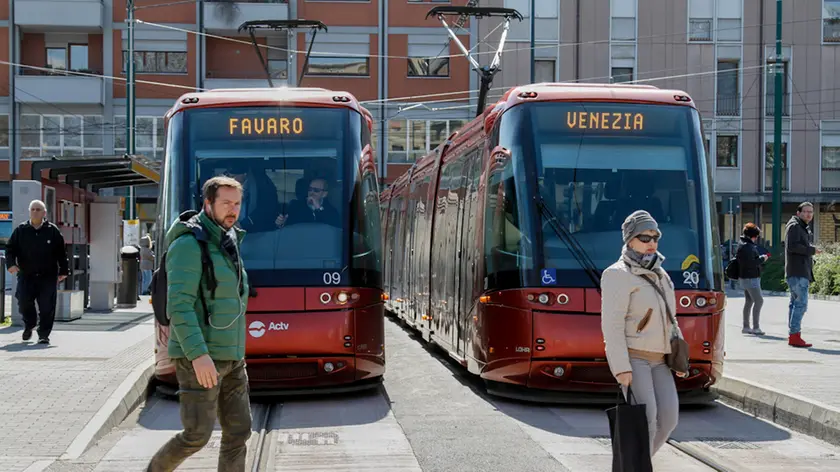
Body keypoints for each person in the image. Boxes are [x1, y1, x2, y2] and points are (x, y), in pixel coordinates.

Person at [147, 176, 252, 472]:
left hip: (232, 356)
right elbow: (178, 306)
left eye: (237, 204)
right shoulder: (188, 245)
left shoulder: (228, 240)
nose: (233, 210)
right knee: (196, 435)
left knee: (239, 431)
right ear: (208, 204)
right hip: (201, 357)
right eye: (226, 204)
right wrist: (198, 355)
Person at [601, 210, 687, 457]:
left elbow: (671, 319)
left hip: (661, 360)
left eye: (655, 238)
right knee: (646, 421)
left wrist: (678, 354)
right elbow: (612, 325)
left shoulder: (661, 273)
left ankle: (638, 465)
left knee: (669, 419)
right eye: (644, 238)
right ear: (629, 240)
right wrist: (621, 367)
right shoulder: (617, 274)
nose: (651, 244)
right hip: (635, 359)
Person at [4, 199, 69, 345]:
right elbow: (10, 249)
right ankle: (30, 324)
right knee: (23, 302)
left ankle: (44, 334)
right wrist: (11, 265)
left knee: (47, 306)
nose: (35, 212)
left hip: (48, 276)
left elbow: (61, 253)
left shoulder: (52, 231)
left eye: (38, 209)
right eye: (32, 209)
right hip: (27, 275)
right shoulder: (21, 230)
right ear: (29, 211)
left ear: (44, 213)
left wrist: (64, 270)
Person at [784, 202, 819, 348]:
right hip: (798, 272)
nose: (809, 214)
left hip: (797, 271)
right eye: (805, 211)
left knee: (795, 304)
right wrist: (811, 250)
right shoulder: (795, 226)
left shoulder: (800, 226)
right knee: (801, 305)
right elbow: (792, 247)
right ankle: (794, 335)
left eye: (811, 212)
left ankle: (793, 335)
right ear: (799, 213)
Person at [736, 223, 770, 335]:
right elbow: (752, 262)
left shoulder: (741, 245)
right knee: (759, 301)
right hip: (751, 278)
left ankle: (746, 326)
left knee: (749, 301)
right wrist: (763, 258)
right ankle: (756, 327)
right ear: (753, 236)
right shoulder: (749, 247)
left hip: (744, 277)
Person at [276, 177, 340, 228]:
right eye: (310, 189)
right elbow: (288, 227)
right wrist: (281, 223)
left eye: (316, 190)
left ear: (324, 194)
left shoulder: (331, 210)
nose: (311, 193)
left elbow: (335, 228)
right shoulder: (296, 206)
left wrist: (319, 208)